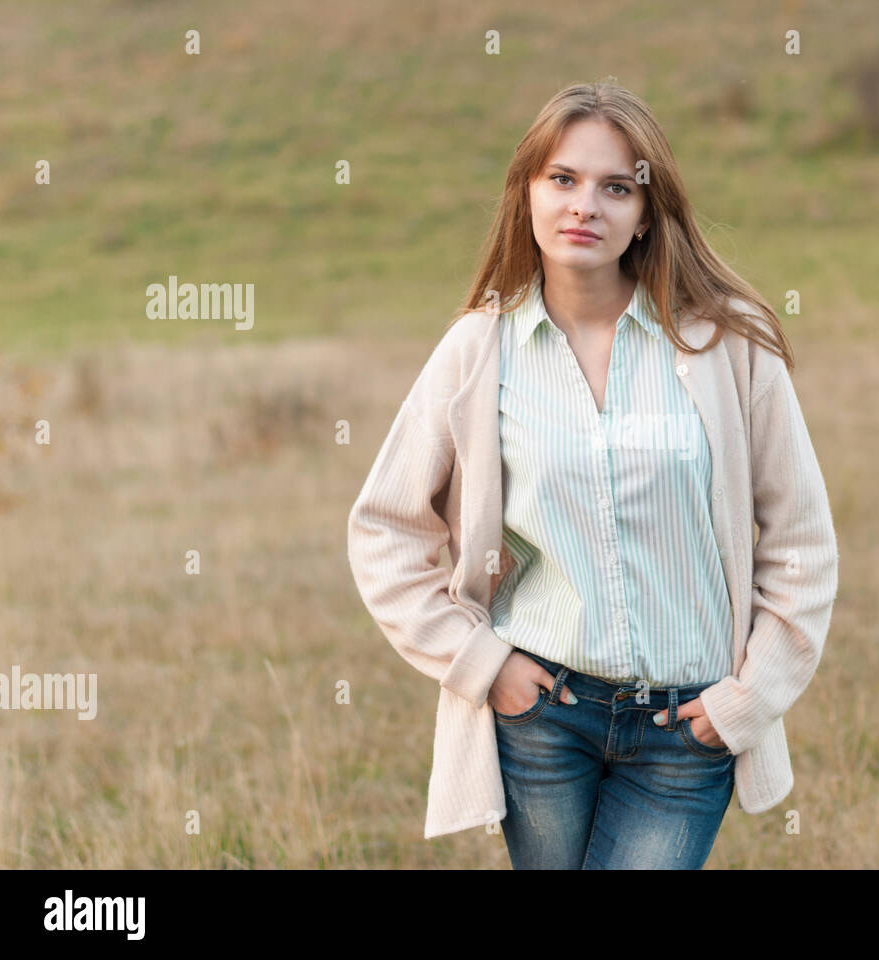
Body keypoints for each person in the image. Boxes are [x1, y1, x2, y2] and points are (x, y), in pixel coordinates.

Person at [347, 78, 839, 869]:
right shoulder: (480, 351)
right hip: (544, 722)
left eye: (617, 187)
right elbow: (385, 530)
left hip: (687, 731)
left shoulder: (725, 347)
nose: (587, 206)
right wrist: (484, 665)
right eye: (564, 180)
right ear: (528, 194)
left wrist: (747, 698)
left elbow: (801, 541)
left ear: (647, 211)